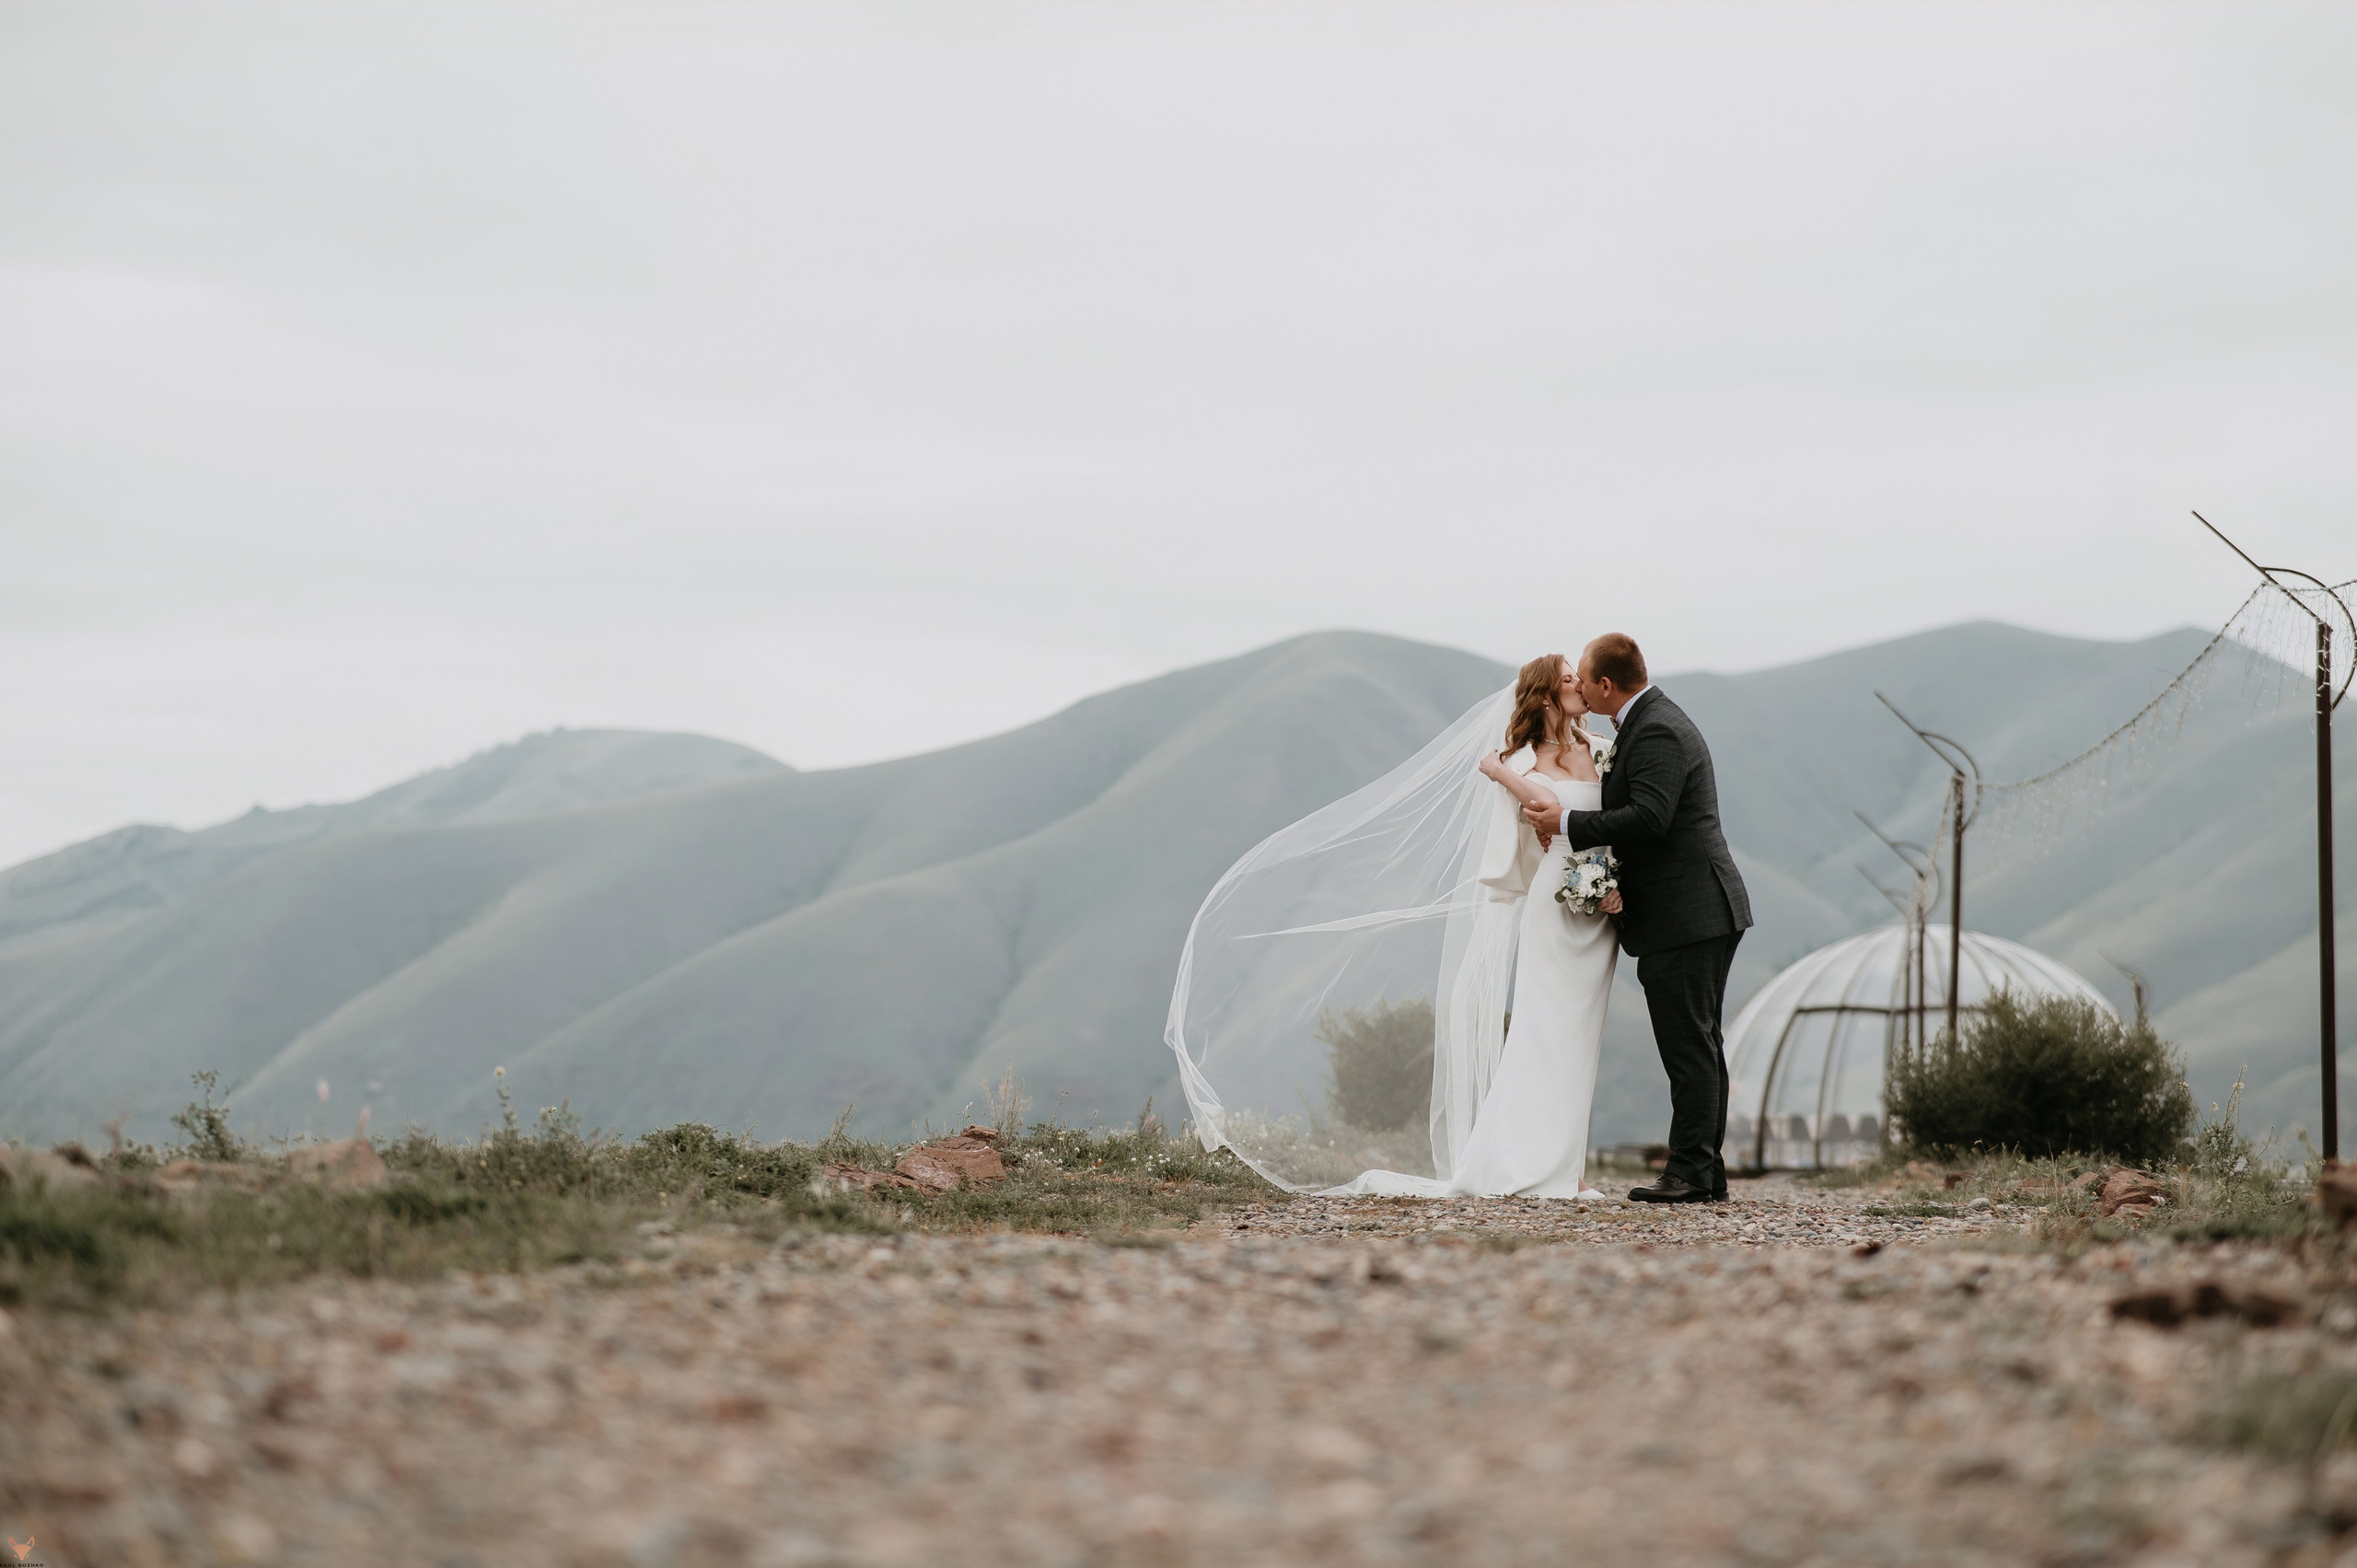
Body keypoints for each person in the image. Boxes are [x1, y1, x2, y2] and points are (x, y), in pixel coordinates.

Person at [1524, 633, 1751, 1203]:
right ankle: (1704, 1171)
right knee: (1698, 1042)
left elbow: (1650, 818)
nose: (1580, 689)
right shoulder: (1647, 722)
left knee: (1689, 1046)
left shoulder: (1656, 730)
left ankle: (1690, 1172)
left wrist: (1566, 824)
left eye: (1584, 679)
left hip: (1689, 912)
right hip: (1692, 912)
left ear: (1606, 685)